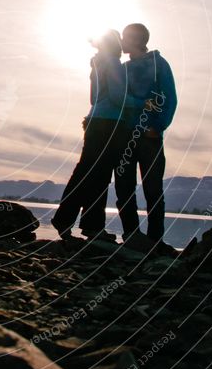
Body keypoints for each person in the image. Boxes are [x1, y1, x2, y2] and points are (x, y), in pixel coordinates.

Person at [51, 30, 146, 241]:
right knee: (100, 176)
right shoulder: (113, 63)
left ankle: (70, 221)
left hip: (95, 122)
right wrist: (139, 103)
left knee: (86, 172)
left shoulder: (97, 64)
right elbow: (117, 97)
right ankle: (89, 226)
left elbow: (94, 98)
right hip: (110, 125)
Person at [113, 23, 177, 246]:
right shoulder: (122, 69)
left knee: (153, 189)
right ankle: (132, 235)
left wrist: (158, 126)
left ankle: (155, 240)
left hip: (150, 137)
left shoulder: (159, 64)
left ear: (138, 40)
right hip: (124, 137)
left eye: (126, 37)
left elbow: (169, 97)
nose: (122, 41)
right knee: (124, 187)